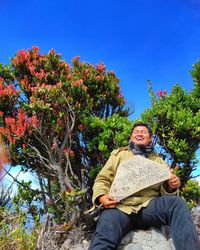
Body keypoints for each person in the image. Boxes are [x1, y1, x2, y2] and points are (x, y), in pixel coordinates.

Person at [88, 122, 200, 250]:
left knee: (177, 203)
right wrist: (102, 197)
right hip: (120, 208)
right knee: (105, 229)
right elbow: (102, 179)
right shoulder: (118, 155)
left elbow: (164, 190)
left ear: (150, 138)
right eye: (136, 132)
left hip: (149, 207)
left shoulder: (158, 161)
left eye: (143, 132)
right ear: (131, 137)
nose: (139, 134)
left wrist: (171, 187)